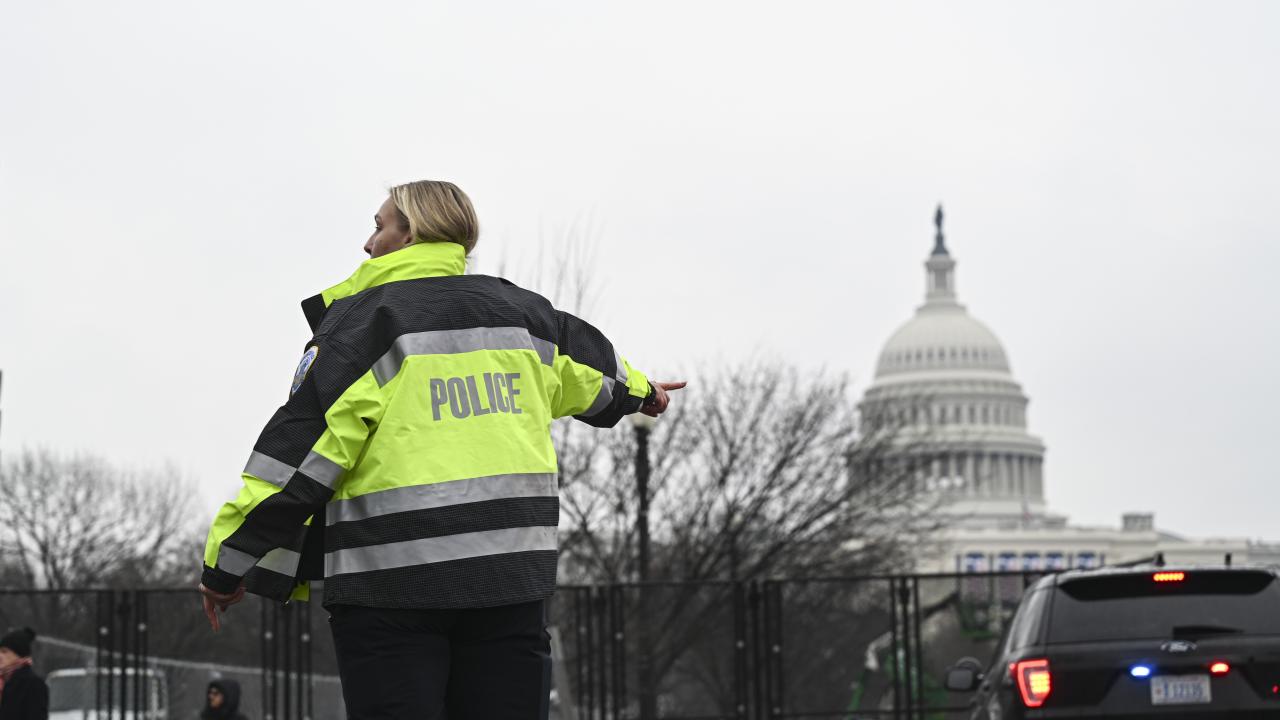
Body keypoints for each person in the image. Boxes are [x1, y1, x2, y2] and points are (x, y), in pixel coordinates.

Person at [198, 180, 684, 718]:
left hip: (390, 588)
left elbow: (298, 463)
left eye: (379, 225)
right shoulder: (523, 316)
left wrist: (227, 564)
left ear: (411, 232)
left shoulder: (366, 325)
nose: (367, 243)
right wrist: (642, 393)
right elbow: (590, 370)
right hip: (509, 581)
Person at [0, 627, 48, 720]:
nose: (0, 656)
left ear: (19, 654)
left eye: (4, 651)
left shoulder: (33, 684)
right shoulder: (3, 681)